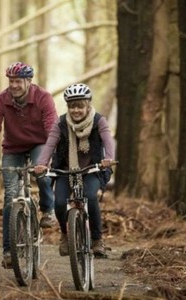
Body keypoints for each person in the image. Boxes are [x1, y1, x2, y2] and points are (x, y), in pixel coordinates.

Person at [0, 62, 58, 268]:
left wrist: (48, 157)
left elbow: (51, 127)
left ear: (29, 82)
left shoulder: (43, 98)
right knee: (10, 196)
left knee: (42, 174)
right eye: (11, 81)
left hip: (39, 143)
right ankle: (8, 252)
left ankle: (48, 210)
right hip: (13, 148)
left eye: (18, 81)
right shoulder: (0, 100)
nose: (14, 85)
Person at [33, 83, 115, 257]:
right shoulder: (61, 123)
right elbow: (50, 144)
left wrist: (108, 158)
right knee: (60, 203)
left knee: (91, 196)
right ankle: (65, 234)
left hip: (92, 169)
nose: (76, 110)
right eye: (72, 106)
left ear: (88, 105)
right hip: (65, 169)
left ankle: (97, 240)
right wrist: (41, 163)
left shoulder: (98, 121)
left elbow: (108, 140)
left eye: (80, 106)